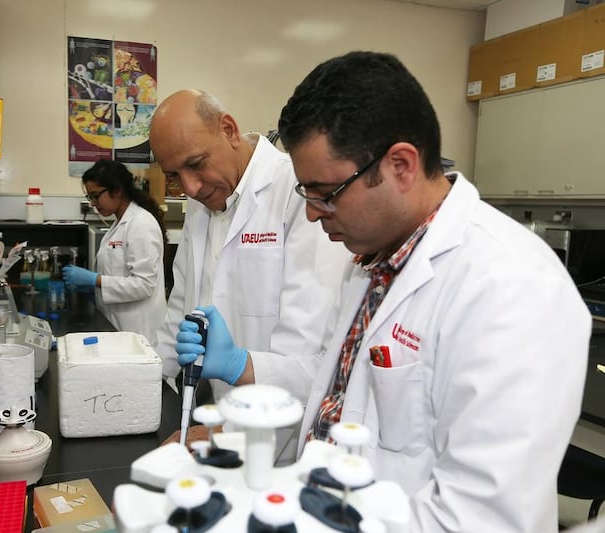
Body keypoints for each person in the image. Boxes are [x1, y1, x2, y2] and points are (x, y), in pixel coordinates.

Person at [180, 51, 590, 531]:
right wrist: (241, 365)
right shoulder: (370, 262)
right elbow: (330, 386)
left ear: (400, 165)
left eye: (325, 193)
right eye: (304, 193)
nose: (311, 214)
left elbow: (480, 516)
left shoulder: (514, 287)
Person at [150, 89, 351, 415]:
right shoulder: (202, 201)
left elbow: (305, 348)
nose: (190, 188)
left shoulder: (297, 191)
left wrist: (227, 433)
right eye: (173, 175)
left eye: (196, 164)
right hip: (214, 414)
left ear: (228, 130)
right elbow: (180, 310)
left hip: (276, 427)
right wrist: (145, 383)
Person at [62, 159, 167, 345]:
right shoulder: (119, 223)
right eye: (90, 197)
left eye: (96, 195)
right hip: (119, 326)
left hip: (139, 332)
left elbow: (144, 285)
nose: (93, 203)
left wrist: (96, 280)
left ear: (117, 190)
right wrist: (93, 288)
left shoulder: (141, 223)